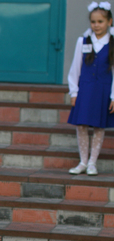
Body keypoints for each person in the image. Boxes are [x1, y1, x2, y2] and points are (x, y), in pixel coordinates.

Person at [67, 1, 114, 176]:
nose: (96, 25)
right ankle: (83, 161)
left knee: (99, 127)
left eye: (100, 22)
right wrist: (74, 92)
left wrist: (113, 96)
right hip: (85, 89)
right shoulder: (83, 41)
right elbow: (75, 68)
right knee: (81, 125)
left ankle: (93, 162)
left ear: (109, 22)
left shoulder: (112, 43)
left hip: (103, 90)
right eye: (93, 22)